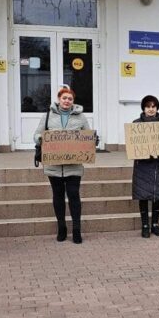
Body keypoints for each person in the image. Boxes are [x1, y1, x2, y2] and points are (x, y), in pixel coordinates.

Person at [34, 87, 92, 244]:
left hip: (74, 165)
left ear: (73, 101)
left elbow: (88, 135)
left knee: (74, 195)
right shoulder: (48, 115)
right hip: (54, 165)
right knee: (58, 196)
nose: (67, 101)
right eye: (64, 98)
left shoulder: (81, 117)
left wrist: (92, 140)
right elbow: (37, 134)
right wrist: (42, 139)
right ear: (59, 99)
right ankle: (61, 228)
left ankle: (76, 229)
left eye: (70, 99)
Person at [131, 95, 159, 238]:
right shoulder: (136, 124)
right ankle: (145, 225)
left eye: (153, 106)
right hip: (142, 166)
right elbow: (132, 145)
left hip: (158, 165)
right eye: (148, 106)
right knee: (142, 195)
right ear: (143, 108)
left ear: (157, 108)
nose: (151, 109)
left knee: (157, 194)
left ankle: (155, 224)